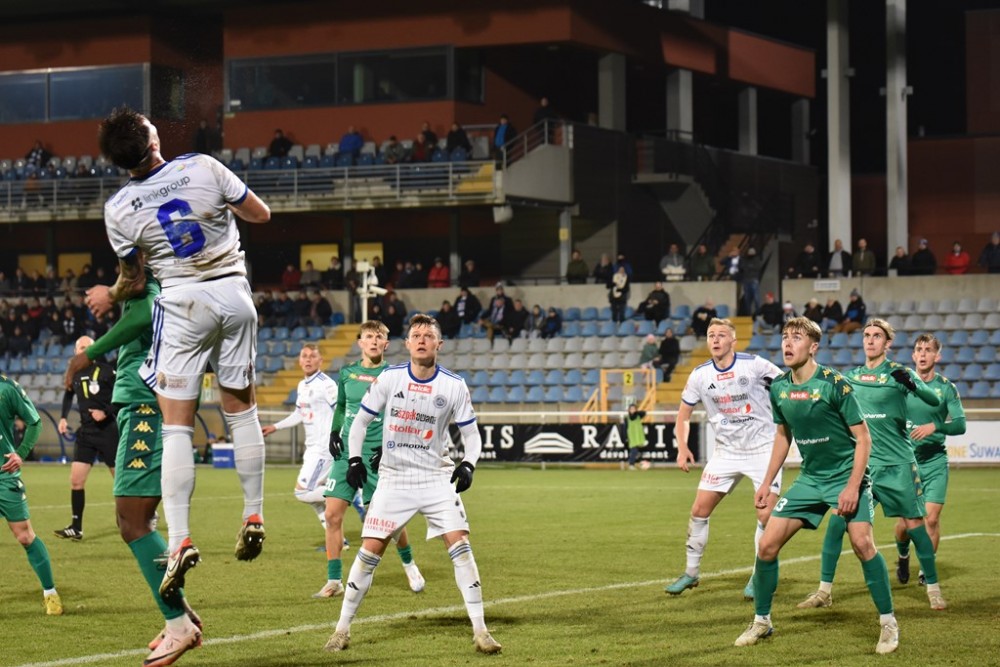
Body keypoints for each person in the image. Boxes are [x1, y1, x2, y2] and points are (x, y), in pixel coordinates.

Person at [95, 107, 272, 603]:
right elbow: (260, 213)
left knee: (176, 426)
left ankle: (180, 539)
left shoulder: (119, 207)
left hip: (180, 304)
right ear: (152, 139)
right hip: (233, 292)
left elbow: (133, 279)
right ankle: (253, 512)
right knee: (242, 410)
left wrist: (112, 292)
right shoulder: (203, 166)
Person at [324, 314, 501, 654]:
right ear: (407, 344)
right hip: (394, 477)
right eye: (416, 335)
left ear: (439, 344)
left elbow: (472, 436)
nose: (421, 340)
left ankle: (481, 632)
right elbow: (360, 422)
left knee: (461, 547)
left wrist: (468, 464)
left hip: (436, 477)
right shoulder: (390, 378)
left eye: (428, 335)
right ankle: (341, 630)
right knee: (369, 552)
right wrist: (355, 459)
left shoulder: (454, 385)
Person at [734, 316, 898, 655]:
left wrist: (852, 487)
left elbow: (863, 439)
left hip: (846, 476)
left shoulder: (835, 384)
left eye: (797, 337)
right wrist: (767, 482)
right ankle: (762, 621)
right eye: (785, 336)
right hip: (810, 479)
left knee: (862, 543)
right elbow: (783, 436)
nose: (788, 342)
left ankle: (888, 623)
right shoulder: (779, 387)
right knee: (767, 546)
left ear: (813, 347)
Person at [65, 269, 202, 664]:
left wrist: (88, 353)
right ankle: (179, 613)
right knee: (133, 520)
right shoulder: (144, 287)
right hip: (140, 405)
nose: (120, 274)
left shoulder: (147, 286)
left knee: (132, 520)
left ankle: (178, 624)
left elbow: (144, 313)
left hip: (144, 407)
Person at [797, 318, 946, 613]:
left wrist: (913, 384)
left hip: (898, 464)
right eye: (867, 335)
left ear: (887, 343)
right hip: (862, 467)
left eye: (877, 335)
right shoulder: (851, 377)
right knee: (836, 524)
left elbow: (933, 401)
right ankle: (824, 591)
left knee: (915, 526)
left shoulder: (899, 374)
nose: (870, 340)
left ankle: (933, 589)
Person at [666, 318, 782, 600]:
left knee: (765, 514)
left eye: (721, 335)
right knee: (699, 510)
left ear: (733, 341)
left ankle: (760, 575)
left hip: (763, 450)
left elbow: (787, 387)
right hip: (726, 452)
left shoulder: (755, 365)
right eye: (710, 335)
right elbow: (683, 415)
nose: (715, 339)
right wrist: (682, 447)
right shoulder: (699, 375)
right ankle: (691, 573)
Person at [314, 321, 425, 600]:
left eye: (379, 337)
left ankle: (409, 563)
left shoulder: (395, 375)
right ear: (360, 342)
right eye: (368, 337)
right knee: (332, 515)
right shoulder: (347, 373)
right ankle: (334, 580)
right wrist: (334, 432)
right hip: (347, 452)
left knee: (390, 519)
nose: (374, 341)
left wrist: (391, 447)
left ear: (386, 344)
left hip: (378, 454)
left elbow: (403, 413)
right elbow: (342, 406)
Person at [894, 333, 966, 586]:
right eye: (919, 349)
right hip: (906, 463)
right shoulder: (901, 385)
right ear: (913, 355)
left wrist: (936, 426)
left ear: (938, 356)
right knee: (904, 525)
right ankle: (903, 555)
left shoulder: (946, 388)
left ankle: (926, 572)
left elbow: (960, 425)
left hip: (935, 461)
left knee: (932, 519)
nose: (923, 354)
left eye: (928, 350)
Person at [1, 374, 63, 616]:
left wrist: (21, 452)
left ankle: (50, 594)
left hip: (4, 475)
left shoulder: (7, 389)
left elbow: (35, 422)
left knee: (25, 536)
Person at [262, 344, 338, 533]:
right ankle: (338, 540)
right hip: (312, 448)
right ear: (299, 361)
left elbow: (341, 411)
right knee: (314, 499)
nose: (308, 359)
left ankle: (346, 494)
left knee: (302, 492)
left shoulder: (327, 384)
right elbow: (299, 414)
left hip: (324, 447)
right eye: (304, 356)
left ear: (320, 361)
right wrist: (275, 427)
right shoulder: (302, 385)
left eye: (312, 356)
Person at [54, 335, 118, 540]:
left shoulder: (107, 371)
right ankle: (76, 527)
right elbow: (68, 394)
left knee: (121, 481)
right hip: (86, 433)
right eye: (80, 348)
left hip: (108, 432)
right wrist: (63, 417)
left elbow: (121, 397)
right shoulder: (73, 372)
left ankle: (142, 515)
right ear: (75, 352)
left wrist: (105, 412)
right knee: (76, 481)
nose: (82, 351)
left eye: (86, 347)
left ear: (94, 350)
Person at [623, 404, 647, 468]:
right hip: (632, 436)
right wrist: (625, 437)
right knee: (634, 450)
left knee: (637, 450)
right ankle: (631, 464)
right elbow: (625, 428)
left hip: (638, 435)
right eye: (631, 409)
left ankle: (636, 463)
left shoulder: (638, 416)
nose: (632, 410)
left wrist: (636, 412)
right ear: (629, 410)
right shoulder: (627, 418)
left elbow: (644, 413)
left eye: (634, 409)